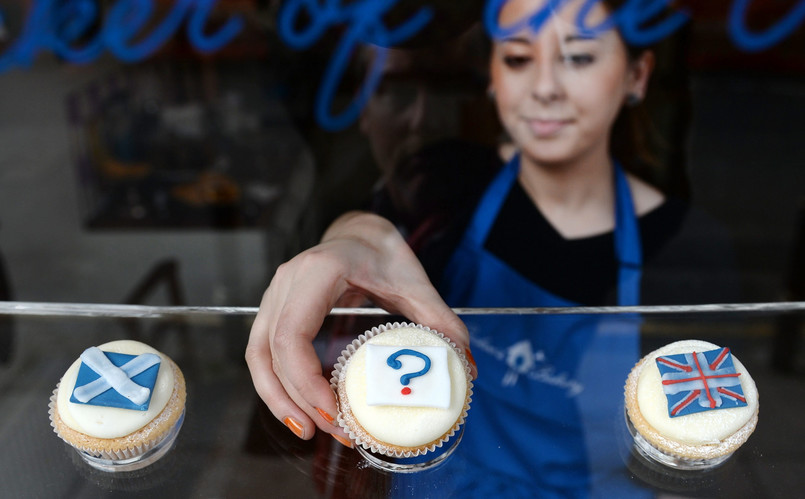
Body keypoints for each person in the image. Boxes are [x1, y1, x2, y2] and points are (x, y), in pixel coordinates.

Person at [246, 0, 739, 496]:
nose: (545, 88)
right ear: (492, 78)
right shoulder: (449, 183)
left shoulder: (687, 246)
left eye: (579, 58)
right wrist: (351, 238)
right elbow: (374, 231)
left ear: (636, 74)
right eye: (519, 58)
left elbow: (690, 436)